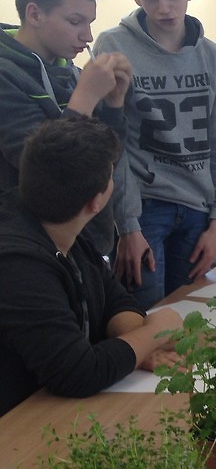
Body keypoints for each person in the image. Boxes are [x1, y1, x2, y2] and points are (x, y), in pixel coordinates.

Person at [0, 118, 181, 417]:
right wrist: (155, 333)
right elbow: (77, 373)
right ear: (96, 202)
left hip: (56, 410)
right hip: (20, 422)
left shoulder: (58, 222)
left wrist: (139, 349)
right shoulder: (17, 264)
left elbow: (114, 299)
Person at [93, 0, 216, 309]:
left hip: (198, 210)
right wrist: (127, 224)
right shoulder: (113, 46)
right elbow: (110, 143)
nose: (164, 8)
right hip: (143, 208)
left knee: (187, 317)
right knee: (144, 318)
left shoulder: (214, 58)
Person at [0, 0, 133, 255]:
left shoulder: (71, 73)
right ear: (35, 14)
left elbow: (104, 163)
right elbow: (48, 172)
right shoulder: (6, 76)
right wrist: (85, 98)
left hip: (89, 245)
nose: (87, 36)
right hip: (31, 248)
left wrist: (114, 104)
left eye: (90, 23)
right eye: (75, 22)